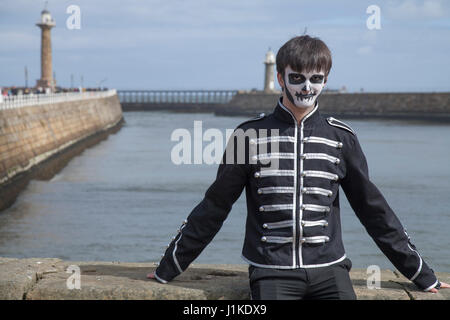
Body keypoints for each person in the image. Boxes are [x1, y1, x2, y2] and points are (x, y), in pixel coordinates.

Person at [147, 35, 448, 299]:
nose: (307, 87)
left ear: (325, 80)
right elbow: (215, 206)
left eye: (316, 79)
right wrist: (169, 267)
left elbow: (374, 210)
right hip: (271, 270)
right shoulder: (247, 136)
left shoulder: (341, 137)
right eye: (297, 78)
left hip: (330, 269)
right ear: (280, 78)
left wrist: (421, 273)